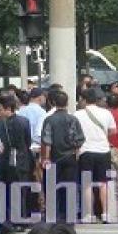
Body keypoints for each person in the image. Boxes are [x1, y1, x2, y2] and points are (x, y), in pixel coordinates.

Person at [40, 90, 85, 224]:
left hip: (53, 158)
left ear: (53, 103)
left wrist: (46, 158)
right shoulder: (73, 119)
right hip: (70, 157)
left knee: (52, 187)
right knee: (70, 186)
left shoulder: (49, 120)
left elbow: (47, 141)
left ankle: (54, 216)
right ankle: (69, 216)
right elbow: (80, 139)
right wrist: (76, 151)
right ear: (67, 103)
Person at [73, 88, 116, 223]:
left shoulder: (77, 114)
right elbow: (113, 131)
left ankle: (88, 214)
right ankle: (106, 214)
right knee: (104, 183)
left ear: (84, 100)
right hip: (104, 151)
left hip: (86, 151)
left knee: (87, 184)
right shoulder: (106, 113)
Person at [0, 95, 32, 234]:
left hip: (4, 161)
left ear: (7, 109)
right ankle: (20, 220)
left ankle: (6, 220)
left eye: (0, 109)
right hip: (21, 159)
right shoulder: (24, 121)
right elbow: (27, 142)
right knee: (20, 190)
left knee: (5, 190)